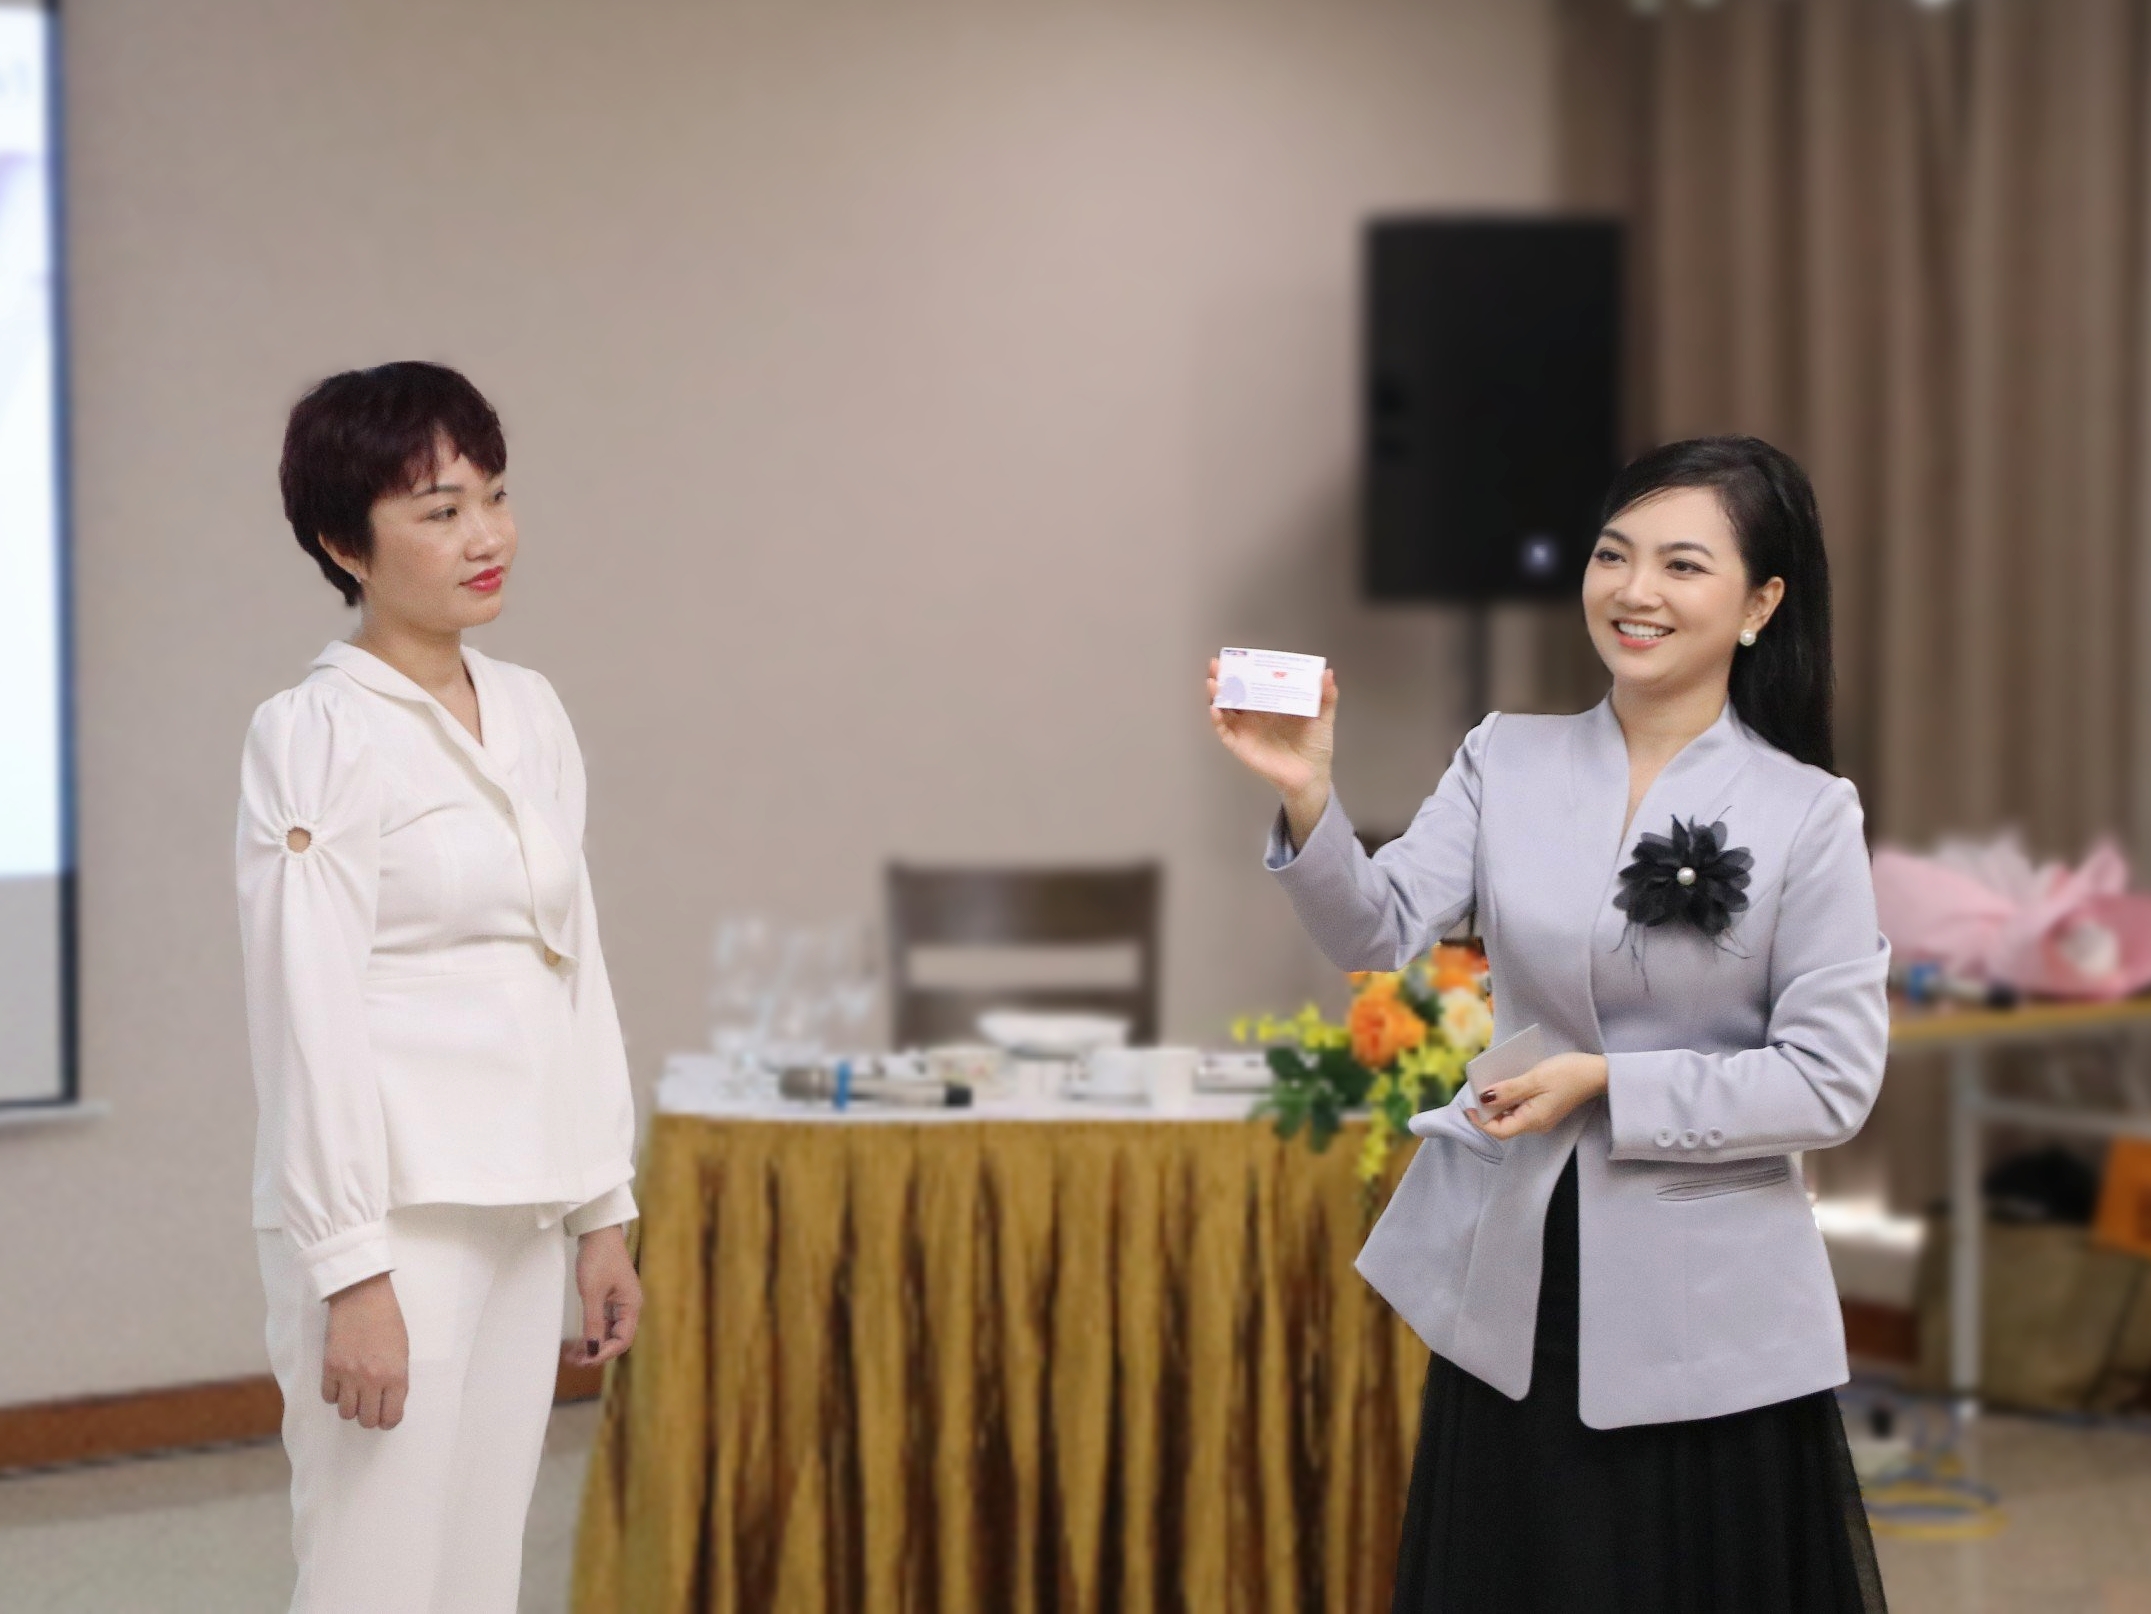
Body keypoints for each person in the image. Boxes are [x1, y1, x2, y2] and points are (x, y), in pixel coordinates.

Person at [1209, 436, 1890, 1611]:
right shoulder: (1505, 756)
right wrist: (1308, 792)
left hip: (1707, 1316)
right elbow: (1377, 928)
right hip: (1519, 1284)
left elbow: (1829, 1082)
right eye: (1613, 555)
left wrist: (1609, 1083)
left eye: (1682, 565)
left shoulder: (1807, 812)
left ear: (1760, 605)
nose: (1635, 590)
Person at [236, 361, 643, 1613]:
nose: (488, 536)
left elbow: (571, 964)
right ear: (342, 545)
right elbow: (305, 1015)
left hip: (524, 1201)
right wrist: (351, 1272)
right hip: (393, 1223)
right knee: (374, 1579)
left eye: (496, 497)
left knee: (477, 1581)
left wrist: (603, 1206)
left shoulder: (531, 710)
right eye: (441, 511)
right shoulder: (315, 732)